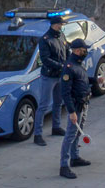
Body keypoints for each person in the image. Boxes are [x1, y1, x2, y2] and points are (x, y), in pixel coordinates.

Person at [59, 38, 92, 180]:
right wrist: (71, 112)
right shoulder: (69, 67)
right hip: (76, 106)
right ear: (77, 51)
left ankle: (75, 157)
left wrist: (96, 80)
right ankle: (64, 166)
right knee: (70, 135)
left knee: (78, 133)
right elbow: (65, 92)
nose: (86, 52)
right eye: (84, 50)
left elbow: (82, 79)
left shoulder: (78, 64)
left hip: (83, 103)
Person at [33, 15, 68, 146]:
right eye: (60, 24)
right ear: (54, 24)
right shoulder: (45, 40)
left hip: (60, 75)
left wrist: (68, 64)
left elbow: (67, 50)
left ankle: (56, 127)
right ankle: (37, 134)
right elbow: (46, 59)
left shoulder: (61, 36)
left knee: (58, 102)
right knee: (43, 105)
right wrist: (61, 66)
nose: (62, 26)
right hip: (49, 76)